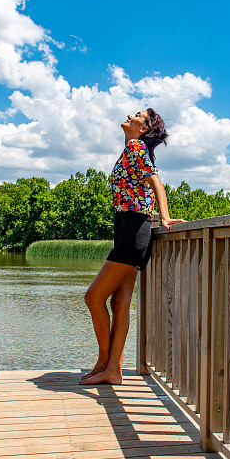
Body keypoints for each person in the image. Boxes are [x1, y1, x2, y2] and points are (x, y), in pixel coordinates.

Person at [80, 108, 183, 385]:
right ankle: (113, 370)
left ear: (144, 129)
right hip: (130, 228)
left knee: (93, 298)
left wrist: (164, 215)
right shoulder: (131, 149)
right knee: (119, 302)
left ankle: (105, 362)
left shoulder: (136, 147)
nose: (130, 114)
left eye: (137, 115)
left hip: (134, 231)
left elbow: (156, 183)